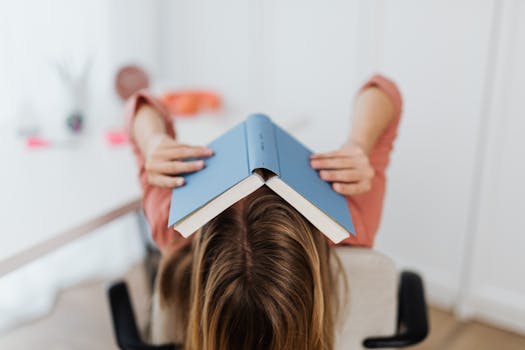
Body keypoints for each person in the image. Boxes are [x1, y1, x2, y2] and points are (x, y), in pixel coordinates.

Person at [126, 74, 402, 350]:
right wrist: (358, 144)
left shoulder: (175, 224)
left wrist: (153, 142)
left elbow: (140, 105)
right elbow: (382, 90)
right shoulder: (348, 219)